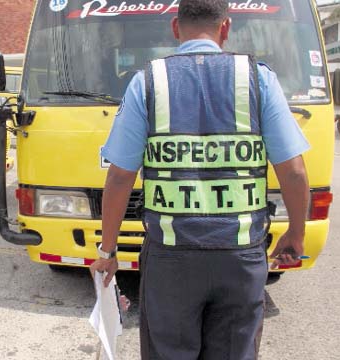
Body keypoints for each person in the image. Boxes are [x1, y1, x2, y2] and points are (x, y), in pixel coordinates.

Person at [91, 0, 310, 359]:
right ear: (226, 28)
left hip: (171, 259)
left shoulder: (148, 81)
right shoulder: (257, 78)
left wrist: (108, 251)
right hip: (240, 257)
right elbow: (294, 171)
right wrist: (296, 233)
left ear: (176, 29)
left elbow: (119, 177)